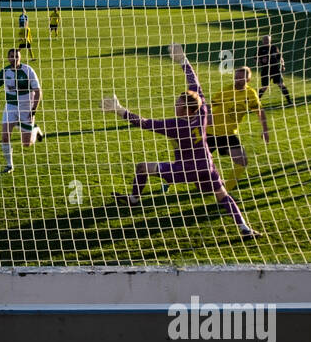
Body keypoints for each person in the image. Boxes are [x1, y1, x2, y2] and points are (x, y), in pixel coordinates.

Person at [101, 44, 256, 238]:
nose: (175, 106)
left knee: (142, 167)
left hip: (185, 169)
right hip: (207, 166)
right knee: (223, 196)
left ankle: (133, 199)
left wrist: (119, 109)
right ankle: (244, 228)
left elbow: (145, 123)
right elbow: (195, 84)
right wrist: (183, 61)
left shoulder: (176, 126)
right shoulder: (202, 112)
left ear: (186, 110)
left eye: (178, 104)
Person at [205, 66, 269, 189]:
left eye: (240, 78)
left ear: (248, 80)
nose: (237, 80)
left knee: (242, 161)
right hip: (211, 133)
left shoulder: (250, 94)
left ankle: (226, 192)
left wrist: (265, 130)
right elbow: (208, 105)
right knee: (192, 162)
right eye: (236, 77)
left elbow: (260, 110)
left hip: (228, 134)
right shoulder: (226, 91)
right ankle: (168, 181)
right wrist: (209, 117)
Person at [0, 48, 43, 173]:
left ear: (20, 57)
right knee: (5, 136)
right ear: (8, 58)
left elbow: (38, 92)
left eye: (16, 56)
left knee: (26, 143)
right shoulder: (5, 71)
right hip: (10, 106)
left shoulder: (28, 70)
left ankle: (35, 129)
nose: (14, 59)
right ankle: (9, 165)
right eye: (12, 56)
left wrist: (33, 110)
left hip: (26, 107)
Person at [255, 36, 292, 103]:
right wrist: (261, 60)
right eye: (265, 40)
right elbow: (255, 59)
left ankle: (289, 100)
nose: (266, 41)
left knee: (281, 85)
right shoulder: (260, 49)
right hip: (266, 70)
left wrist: (283, 65)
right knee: (264, 87)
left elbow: (280, 57)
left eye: (267, 40)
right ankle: (256, 101)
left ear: (270, 40)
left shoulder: (274, 48)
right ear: (262, 41)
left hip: (275, 69)